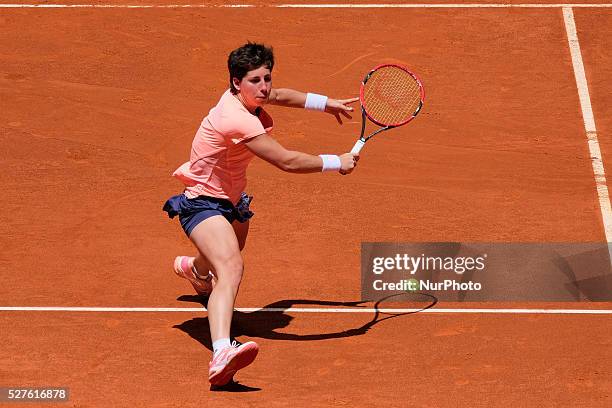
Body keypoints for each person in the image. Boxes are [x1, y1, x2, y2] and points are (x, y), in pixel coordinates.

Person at [163, 42, 359, 387]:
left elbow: (281, 96)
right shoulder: (234, 118)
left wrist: (325, 103)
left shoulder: (250, 95)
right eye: (256, 80)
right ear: (236, 82)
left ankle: (194, 269)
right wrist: (335, 162)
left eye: (267, 77)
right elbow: (286, 161)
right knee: (232, 266)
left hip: (231, 201)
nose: (264, 87)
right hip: (202, 204)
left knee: (222, 256)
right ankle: (221, 352)